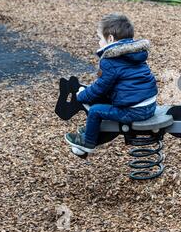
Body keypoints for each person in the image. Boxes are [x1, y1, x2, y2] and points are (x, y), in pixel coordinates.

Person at [65, 13, 158, 156]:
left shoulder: (109, 60)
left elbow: (101, 87)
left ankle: (87, 142)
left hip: (133, 111)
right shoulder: (136, 54)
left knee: (95, 110)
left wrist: (82, 95)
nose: (99, 43)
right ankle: (91, 129)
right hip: (150, 106)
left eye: (100, 38)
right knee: (105, 103)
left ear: (110, 39)